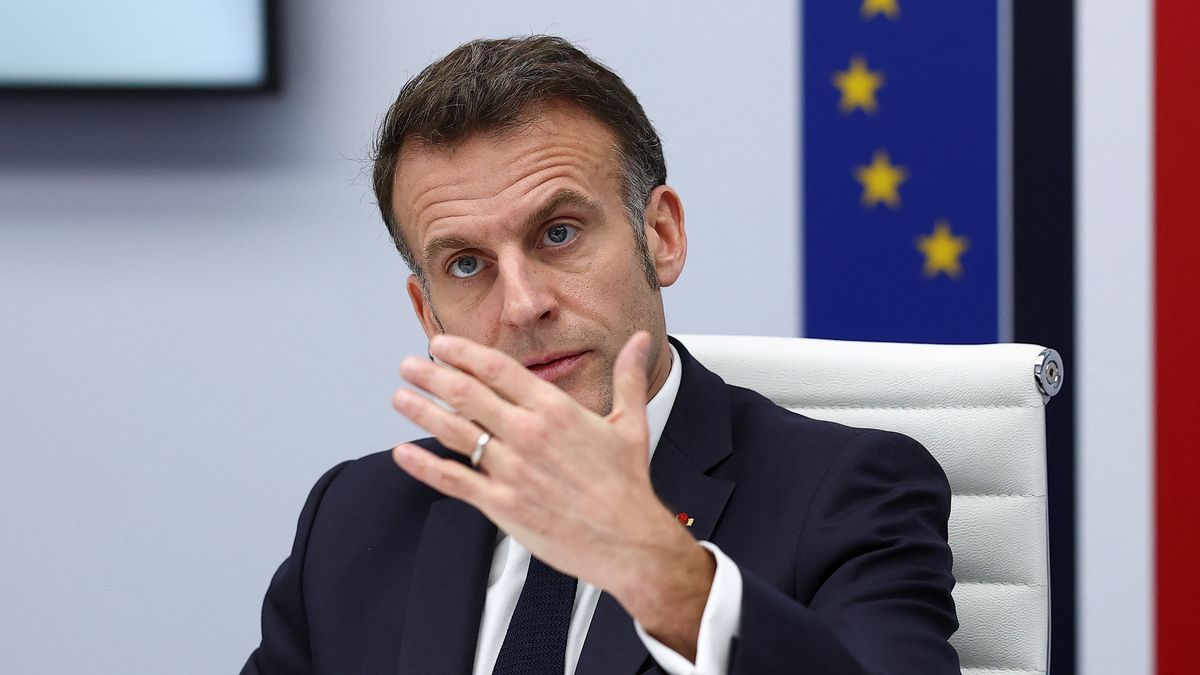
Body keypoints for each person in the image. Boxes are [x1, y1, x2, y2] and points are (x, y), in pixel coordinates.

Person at [242, 36, 959, 675]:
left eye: (559, 233)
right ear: (428, 313)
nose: (523, 304)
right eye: (466, 265)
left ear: (661, 236)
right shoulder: (356, 518)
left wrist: (665, 575)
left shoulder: (846, 492)